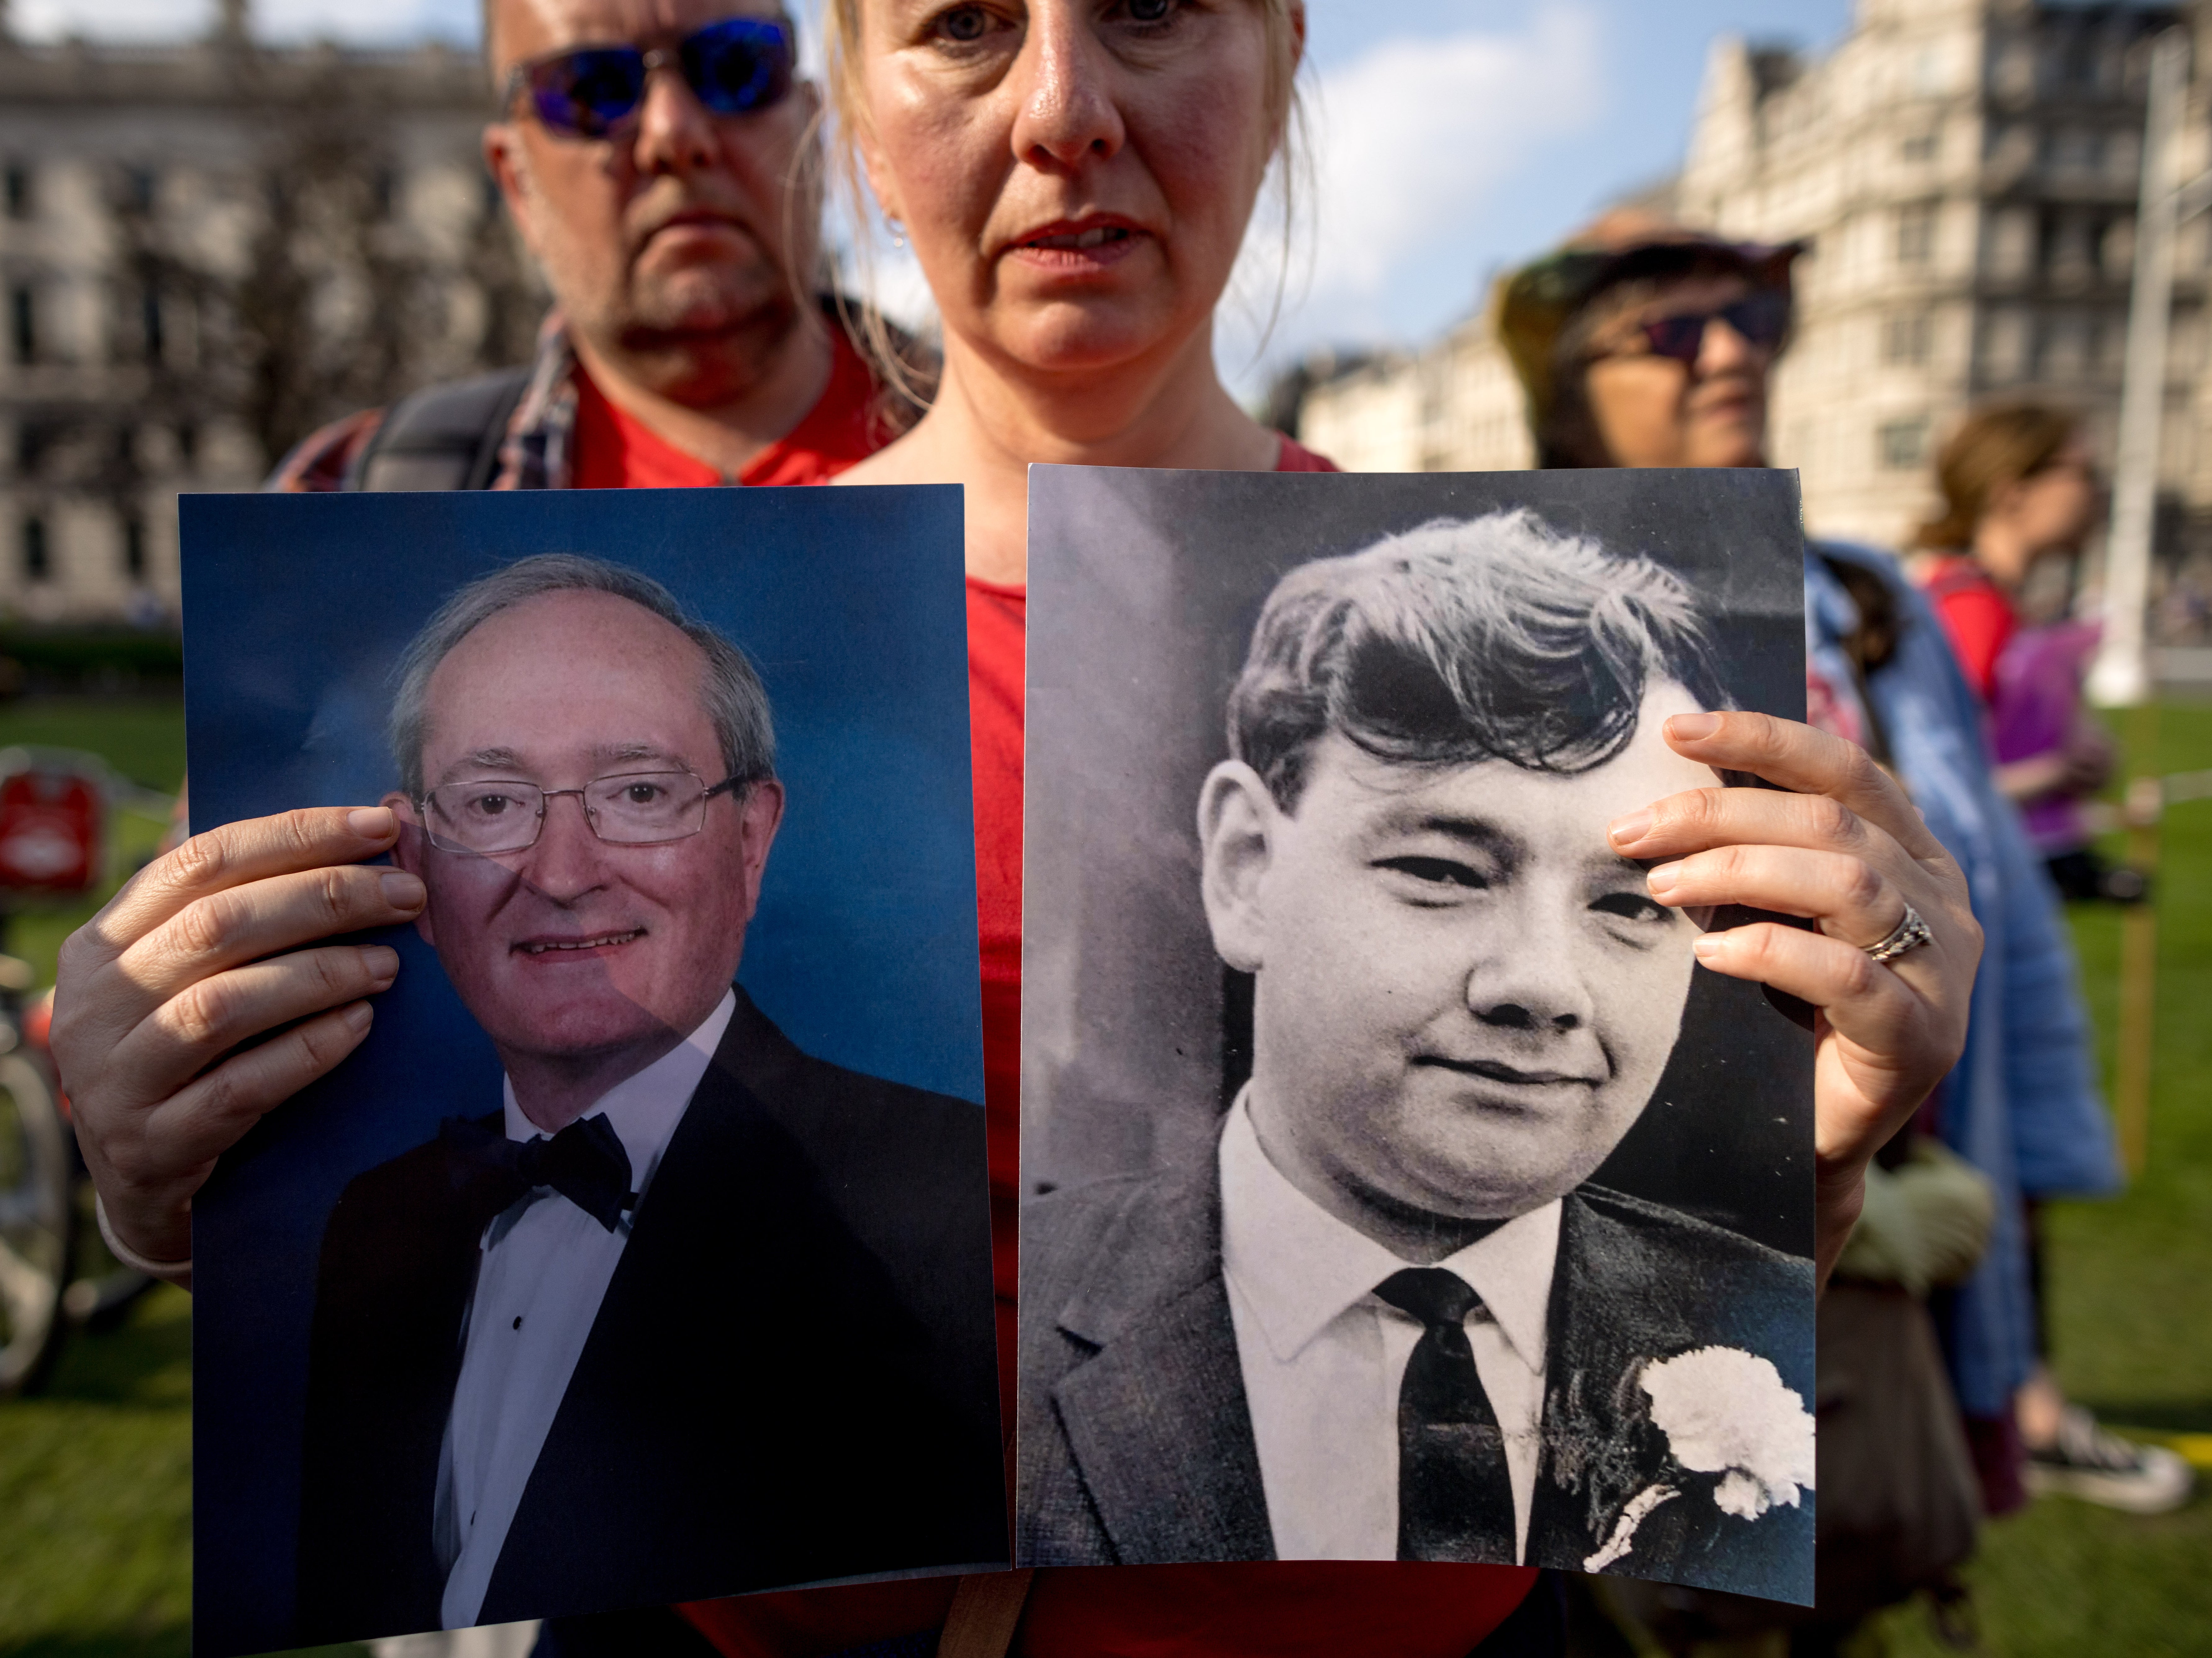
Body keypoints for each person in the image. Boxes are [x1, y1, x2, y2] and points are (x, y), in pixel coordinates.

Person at [54, 7, 1979, 1656]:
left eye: (1149, 7)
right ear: (857, 106)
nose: (1062, 106)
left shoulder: (1555, 654)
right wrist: (200, 1177)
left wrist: (1801, 1153)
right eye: (962, 23)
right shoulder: (644, 664)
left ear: (1280, 45)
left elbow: (1628, 1364)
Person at [1494, 212, 2181, 1642]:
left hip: (1881, 1146)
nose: (1731, 349)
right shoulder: (1510, 588)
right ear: (1565, 378)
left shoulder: (1863, 595)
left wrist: (2002, 1131)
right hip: (1615, 1173)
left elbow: (1972, 882)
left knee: (1838, 1530)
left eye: (1752, 317)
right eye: (1672, 329)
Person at [1020, 512, 1816, 1599]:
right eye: (1443, 871)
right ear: (1246, 869)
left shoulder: (1776, 1327)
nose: (1542, 984)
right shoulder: (991, 1323)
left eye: (1631, 902)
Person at [292, 556, 1002, 1642]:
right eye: (492, 803)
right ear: (415, 861)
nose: (564, 870)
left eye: (636, 794)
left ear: (752, 840)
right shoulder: (378, 1221)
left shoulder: (934, 1198)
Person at [274, 0, 901, 496]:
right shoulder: (342, 495)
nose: (673, 132)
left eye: (735, 68)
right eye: (591, 89)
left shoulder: (997, 461)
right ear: (515, 183)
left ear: (816, 129)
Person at [1909, 403, 2130, 904]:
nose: (2097, 492)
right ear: (2013, 491)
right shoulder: (1970, 609)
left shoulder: (1995, 604)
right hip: (1972, 887)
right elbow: (1934, 785)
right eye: (2082, 474)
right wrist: (2057, 774)